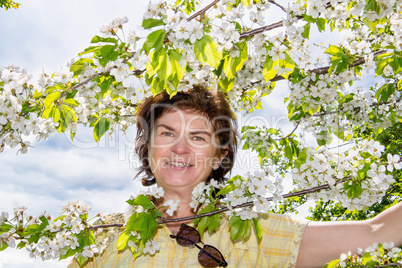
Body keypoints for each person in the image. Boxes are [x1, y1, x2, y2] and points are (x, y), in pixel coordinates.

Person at [69, 84, 402, 268]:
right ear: (148, 145)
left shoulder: (255, 235)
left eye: (198, 138)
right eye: (167, 134)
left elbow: (377, 231)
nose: (180, 150)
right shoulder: (103, 239)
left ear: (220, 155)